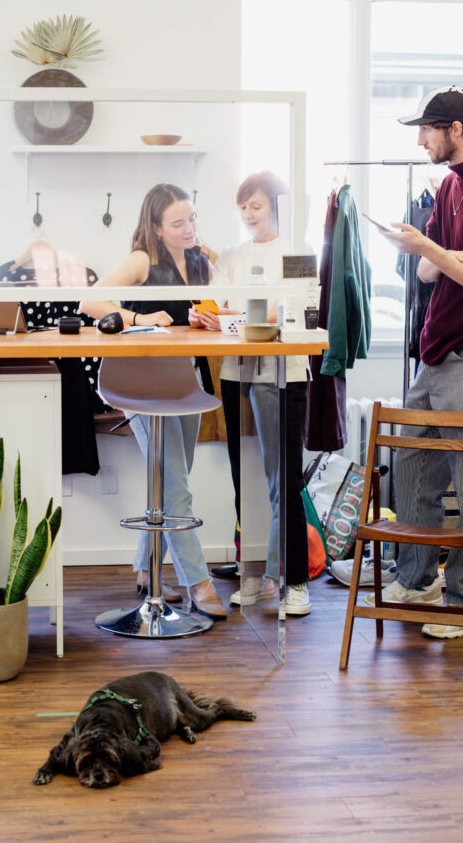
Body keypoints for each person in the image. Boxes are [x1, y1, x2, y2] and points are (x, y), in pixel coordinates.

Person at [366, 85, 463, 638]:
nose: (420, 139)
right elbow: (429, 274)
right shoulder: (449, 188)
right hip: (434, 354)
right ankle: (416, 580)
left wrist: (437, 251)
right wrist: (440, 253)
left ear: (455, 129)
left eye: (427, 129)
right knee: (413, 471)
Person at [80, 182, 227, 620]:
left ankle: (146, 568)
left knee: (168, 481)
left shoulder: (200, 261)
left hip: (183, 380)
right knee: (176, 484)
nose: (189, 229)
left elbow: (218, 305)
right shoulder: (143, 259)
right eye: (178, 223)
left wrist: (207, 318)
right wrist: (140, 317)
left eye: (193, 219)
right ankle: (198, 582)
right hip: (138, 384)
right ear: (157, 228)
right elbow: (90, 300)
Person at [190, 171, 312, 616]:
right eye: (242, 207)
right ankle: (253, 573)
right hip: (237, 373)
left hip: (285, 373)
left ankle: (293, 581)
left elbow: (294, 308)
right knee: (246, 481)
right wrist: (234, 314)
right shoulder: (231, 256)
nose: (247, 215)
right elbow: (215, 307)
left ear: (278, 206)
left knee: (285, 482)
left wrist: (235, 314)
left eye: (255, 206)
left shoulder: (297, 252)